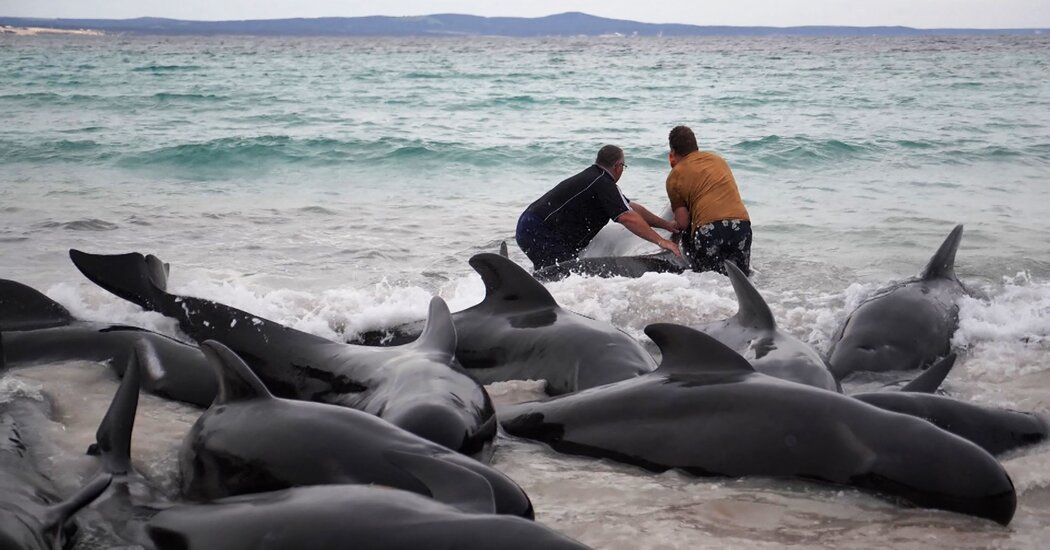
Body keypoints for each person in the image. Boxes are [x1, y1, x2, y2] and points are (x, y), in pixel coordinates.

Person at [516, 145, 681, 271]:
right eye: (623, 167)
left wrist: (665, 225)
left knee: (557, 273)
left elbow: (631, 209)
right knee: (565, 275)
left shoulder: (597, 180)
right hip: (537, 229)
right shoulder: (602, 183)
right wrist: (662, 241)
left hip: (531, 226)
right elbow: (627, 217)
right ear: (618, 166)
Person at [665, 125, 752, 275]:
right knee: (740, 281)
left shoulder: (675, 176)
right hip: (741, 225)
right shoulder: (719, 161)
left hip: (710, 229)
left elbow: (683, 223)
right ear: (696, 146)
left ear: (672, 152)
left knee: (709, 281)